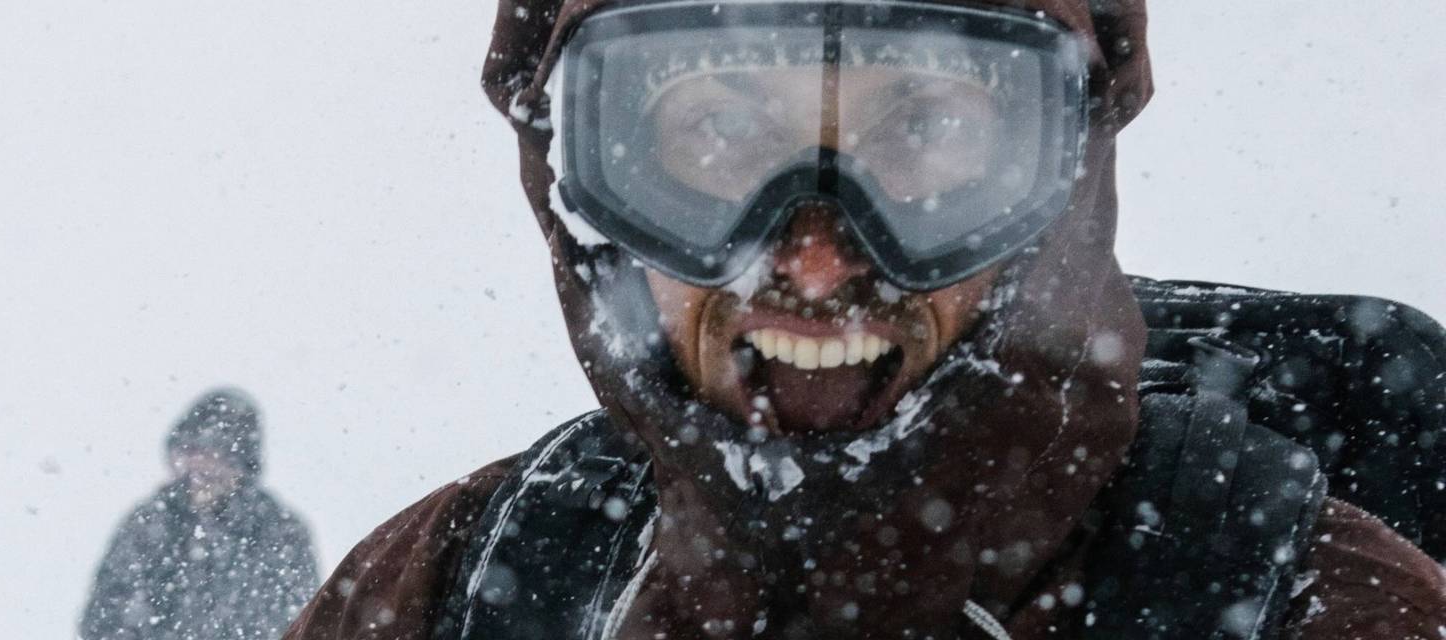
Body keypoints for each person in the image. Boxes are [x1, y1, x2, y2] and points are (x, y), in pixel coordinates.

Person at [285, 1, 1446, 638]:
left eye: (932, 135)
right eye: (717, 135)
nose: (818, 259)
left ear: (1068, 179)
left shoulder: (1318, 613)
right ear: (580, 180)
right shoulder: (473, 589)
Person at [81, 388, 318, 640]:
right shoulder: (148, 525)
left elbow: (304, 623)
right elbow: (106, 619)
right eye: (190, 452)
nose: (199, 466)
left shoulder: (279, 533)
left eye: (213, 455)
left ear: (241, 464)